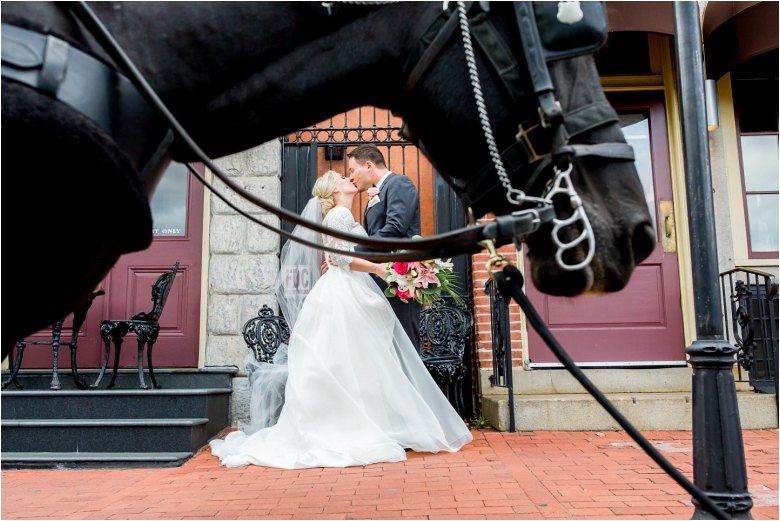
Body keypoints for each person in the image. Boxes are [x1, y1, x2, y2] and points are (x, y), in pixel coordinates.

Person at [209, 171, 472, 469]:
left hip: (351, 288)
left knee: (358, 361)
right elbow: (342, 259)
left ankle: (366, 421)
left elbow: (342, 254)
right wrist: (381, 270)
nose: (350, 178)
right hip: (341, 293)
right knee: (343, 359)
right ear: (334, 190)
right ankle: (342, 426)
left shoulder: (345, 214)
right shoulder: (337, 216)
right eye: (343, 177)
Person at [347, 145, 423, 351]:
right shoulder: (377, 192)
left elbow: (395, 229)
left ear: (368, 165)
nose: (351, 177)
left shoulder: (399, 183)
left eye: (352, 170)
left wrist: (350, 254)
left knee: (404, 343)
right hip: (381, 280)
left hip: (400, 278)